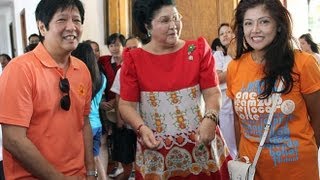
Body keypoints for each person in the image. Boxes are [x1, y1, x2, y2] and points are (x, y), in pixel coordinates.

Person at [119, 0, 231, 179]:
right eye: (164, 20)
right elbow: (126, 105)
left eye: (176, 18)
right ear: (148, 25)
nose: (173, 26)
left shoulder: (197, 50)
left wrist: (211, 118)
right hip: (156, 150)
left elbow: (212, 92)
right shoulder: (134, 60)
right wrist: (141, 128)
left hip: (200, 146)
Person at [0, 0, 96, 179]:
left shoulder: (82, 69)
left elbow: (84, 123)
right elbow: (13, 139)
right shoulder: (20, 69)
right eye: (61, 20)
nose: (71, 27)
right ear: (42, 27)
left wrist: (91, 171)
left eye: (76, 20)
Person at [227, 0, 320, 179]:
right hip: (252, 168)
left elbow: (318, 116)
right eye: (248, 23)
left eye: (264, 21)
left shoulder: (303, 63)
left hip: (296, 170)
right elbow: (238, 122)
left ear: (278, 25)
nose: (255, 30)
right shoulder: (234, 67)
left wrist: (307, 150)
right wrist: (241, 157)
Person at [72, 42, 108, 180]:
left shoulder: (80, 78)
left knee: (84, 162)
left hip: (85, 126)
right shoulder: (102, 77)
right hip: (97, 123)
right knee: (95, 158)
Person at [110, 36, 142, 180]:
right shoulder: (121, 71)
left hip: (149, 122)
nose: (132, 51)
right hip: (129, 123)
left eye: (136, 47)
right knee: (128, 158)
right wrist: (119, 119)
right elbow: (118, 97)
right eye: (129, 48)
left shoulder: (152, 68)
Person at [98, 33, 126, 178]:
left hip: (124, 103)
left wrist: (115, 101)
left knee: (123, 135)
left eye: (117, 45)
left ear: (123, 46)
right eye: (111, 45)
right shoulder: (104, 61)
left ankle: (125, 165)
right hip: (107, 105)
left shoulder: (128, 62)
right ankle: (117, 165)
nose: (114, 48)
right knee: (111, 136)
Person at [213, 23, 238, 159]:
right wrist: (236, 71)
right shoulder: (218, 55)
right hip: (225, 99)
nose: (225, 35)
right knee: (229, 136)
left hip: (240, 96)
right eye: (222, 34)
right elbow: (217, 78)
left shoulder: (241, 52)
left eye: (228, 32)